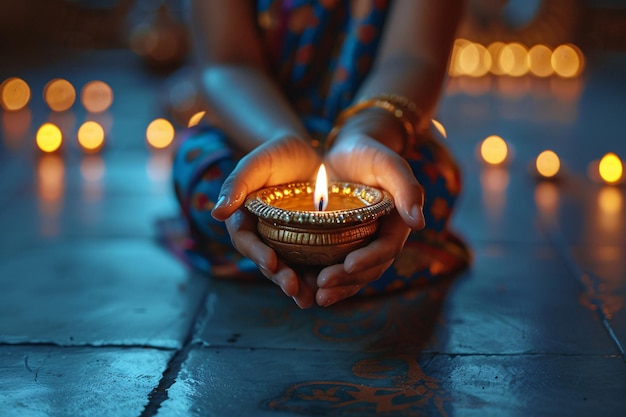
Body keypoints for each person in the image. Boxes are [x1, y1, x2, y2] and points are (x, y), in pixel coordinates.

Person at [168, 0, 471, 309]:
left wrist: (365, 134)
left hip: (378, 130)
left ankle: (299, 267)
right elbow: (227, 62)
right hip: (256, 127)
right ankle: (317, 264)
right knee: (213, 180)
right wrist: (280, 139)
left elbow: (415, 58)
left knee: (418, 188)